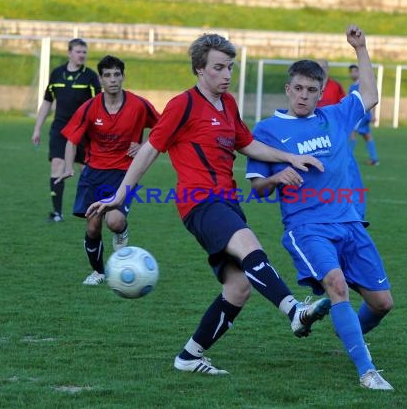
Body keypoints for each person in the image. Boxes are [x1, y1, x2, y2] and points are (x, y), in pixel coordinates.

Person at [86, 34, 331, 374]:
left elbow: (249, 145)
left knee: (239, 287)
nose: (226, 74)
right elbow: (150, 148)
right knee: (249, 244)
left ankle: (189, 356)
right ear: (200, 69)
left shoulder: (228, 104)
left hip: (226, 200)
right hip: (198, 200)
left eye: (230, 66)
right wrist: (121, 193)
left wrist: (291, 157)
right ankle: (294, 311)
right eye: (218, 67)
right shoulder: (182, 104)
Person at [245, 26, 394, 390]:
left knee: (381, 303)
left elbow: (371, 94)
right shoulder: (267, 130)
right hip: (307, 227)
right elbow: (257, 189)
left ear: (320, 93)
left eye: (312, 90)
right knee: (336, 284)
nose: (304, 96)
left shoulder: (335, 116)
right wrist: (278, 177)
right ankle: (366, 371)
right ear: (288, 89)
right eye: (298, 88)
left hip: (350, 223)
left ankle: (345, 332)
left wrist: (361, 47)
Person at [56, 55, 160, 286]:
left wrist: (143, 146)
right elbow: (72, 140)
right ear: (101, 79)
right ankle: (99, 272)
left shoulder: (139, 105)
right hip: (93, 173)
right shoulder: (89, 108)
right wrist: (68, 166)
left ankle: (121, 233)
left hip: (124, 173)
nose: (113, 79)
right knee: (93, 226)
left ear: (123, 76)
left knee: (114, 221)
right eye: (108, 75)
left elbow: (163, 127)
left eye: (117, 74)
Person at [31, 38, 101, 223]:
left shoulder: (91, 77)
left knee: (86, 169)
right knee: (57, 165)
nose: (82, 55)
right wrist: (37, 128)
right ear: (69, 53)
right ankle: (57, 213)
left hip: (85, 130)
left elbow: (99, 104)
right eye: (78, 52)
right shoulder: (57, 74)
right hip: (60, 129)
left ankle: (93, 209)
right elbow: (47, 101)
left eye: (84, 52)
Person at [348, 64, 380, 165]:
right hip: (360, 115)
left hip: (362, 115)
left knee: (352, 133)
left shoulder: (362, 86)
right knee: (367, 136)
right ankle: (374, 158)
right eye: (351, 72)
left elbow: (370, 99)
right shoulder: (352, 87)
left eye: (355, 71)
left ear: (359, 73)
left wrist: (373, 114)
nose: (353, 73)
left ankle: (347, 158)